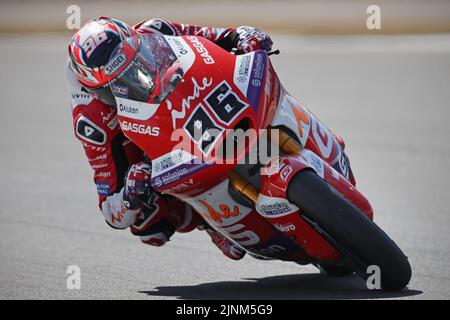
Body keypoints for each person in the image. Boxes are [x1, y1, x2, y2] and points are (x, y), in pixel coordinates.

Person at [66, 16, 273, 260]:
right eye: (114, 85)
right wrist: (130, 195)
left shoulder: (154, 30)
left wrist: (242, 35)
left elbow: (211, 35)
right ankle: (206, 221)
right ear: (94, 90)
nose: (129, 81)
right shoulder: (91, 122)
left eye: (133, 65)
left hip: (199, 100)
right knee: (147, 225)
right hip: (158, 143)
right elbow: (110, 210)